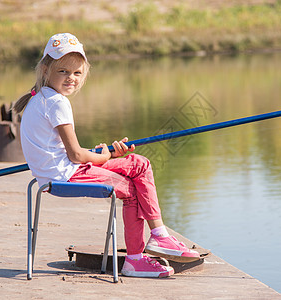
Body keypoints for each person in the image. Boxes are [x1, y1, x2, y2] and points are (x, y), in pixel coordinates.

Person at [13, 33, 199, 278]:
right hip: (67, 176)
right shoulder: (57, 103)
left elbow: (67, 150)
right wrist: (104, 157)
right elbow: (77, 155)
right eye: (63, 72)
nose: (71, 78)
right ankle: (138, 257)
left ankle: (158, 237)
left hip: (57, 172)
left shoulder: (39, 98)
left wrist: (103, 154)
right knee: (132, 189)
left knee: (139, 163)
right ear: (46, 69)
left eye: (77, 73)